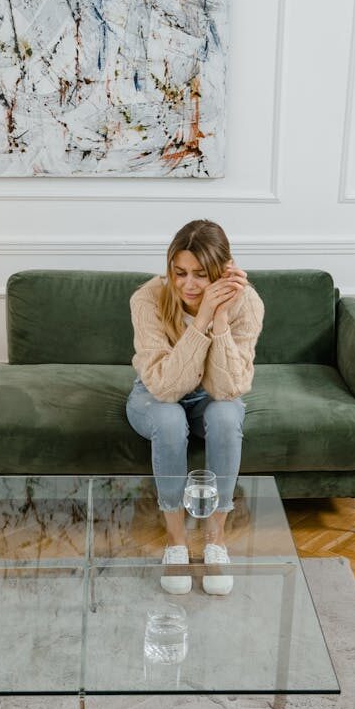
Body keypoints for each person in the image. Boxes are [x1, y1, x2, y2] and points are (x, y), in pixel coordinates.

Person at [126, 220, 264, 595]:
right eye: (180, 272)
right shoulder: (147, 298)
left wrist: (219, 317)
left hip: (210, 395)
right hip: (154, 393)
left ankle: (215, 539)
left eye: (201, 275)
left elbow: (227, 388)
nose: (188, 284)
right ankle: (176, 542)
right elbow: (167, 388)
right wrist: (200, 318)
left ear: (222, 271)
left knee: (224, 415)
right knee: (170, 420)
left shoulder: (247, 302)